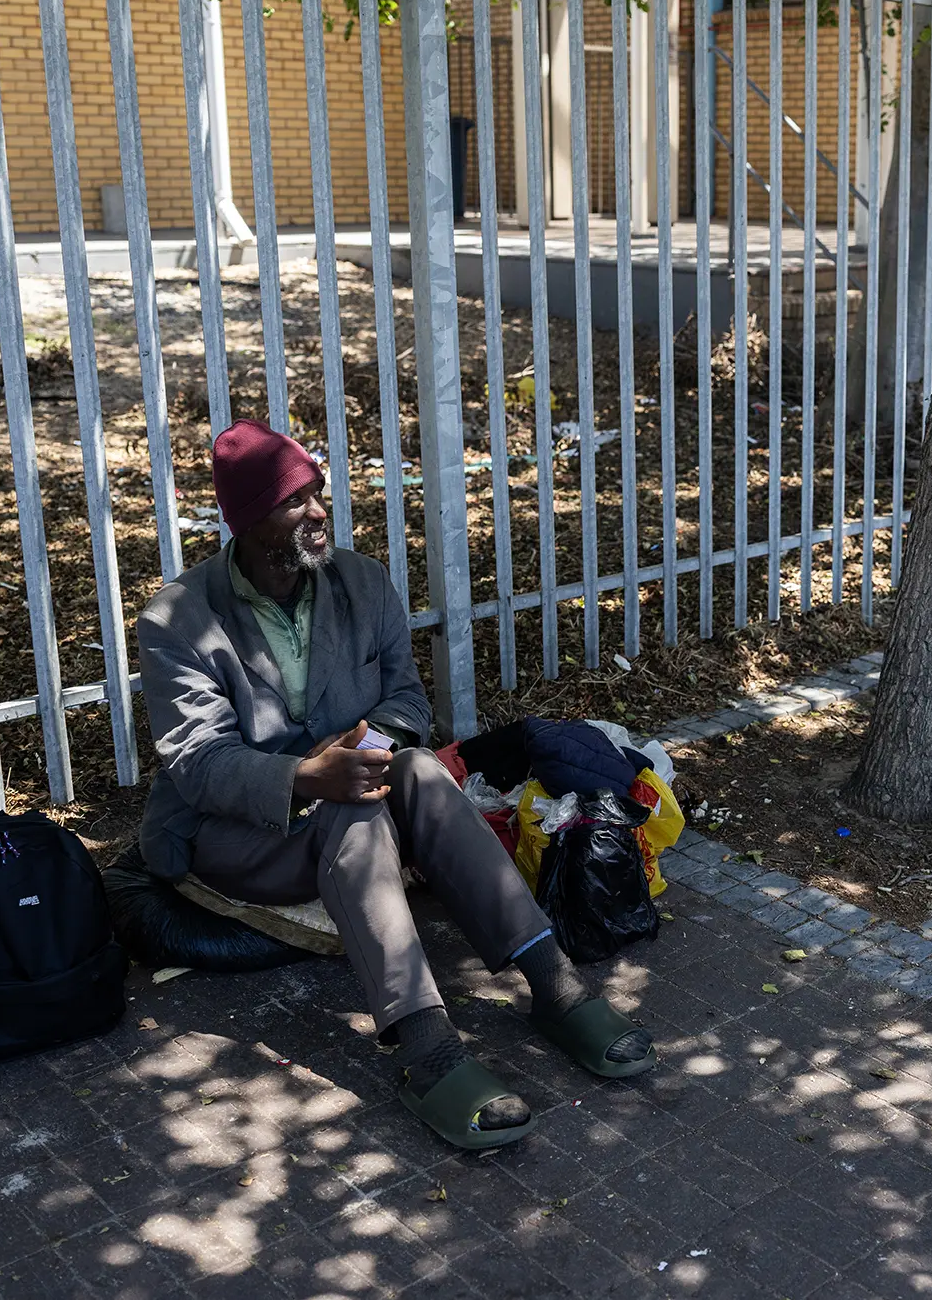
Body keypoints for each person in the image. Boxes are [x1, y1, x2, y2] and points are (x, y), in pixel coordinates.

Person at [136, 420, 654, 1150]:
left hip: (357, 790)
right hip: (235, 831)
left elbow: (408, 701)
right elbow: (197, 762)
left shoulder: (362, 581)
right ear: (249, 521)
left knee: (412, 767)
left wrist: (365, 747)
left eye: (318, 493)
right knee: (350, 810)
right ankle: (426, 1044)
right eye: (294, 502)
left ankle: (553, 983)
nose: (318, 512)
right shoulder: (178, 619)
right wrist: (307, 775)